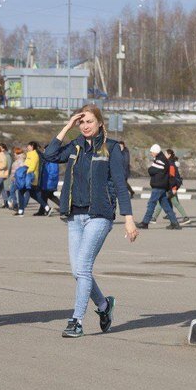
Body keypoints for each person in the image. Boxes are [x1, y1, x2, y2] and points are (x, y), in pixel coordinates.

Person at [43, 105, 138, 338]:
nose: (85, 126)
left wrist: (129, 219)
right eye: (81, 122)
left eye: (89, 122)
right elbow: (50, 155)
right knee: (78, 271)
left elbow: (119, 184)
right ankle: (105, 306)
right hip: (74, 215)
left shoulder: (111, 148)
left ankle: (76, 320)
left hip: (99, 215)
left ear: (100, 124)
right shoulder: (75, 146)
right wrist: (67, 127)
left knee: (83, 268)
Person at [138, 144, 181, 230]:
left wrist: (153, 168)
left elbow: (151, 170)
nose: (151, 153)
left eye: (151, 152)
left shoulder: (160, 160)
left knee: (151, 203)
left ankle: (145, 222)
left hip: (158, 186)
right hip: (162, 186)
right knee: (166, 206)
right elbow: (153, 170)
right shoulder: (161, 159)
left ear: (156, 151)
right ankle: (175, 223)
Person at [151, 149, 190, 224]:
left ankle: (153, 218)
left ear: (169, 155)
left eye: (165, 154)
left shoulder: (171, 165)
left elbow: (172, 178)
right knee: (175, 202)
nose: (164, 155)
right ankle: (185, 217)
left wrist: (173, 188)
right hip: (170, 187)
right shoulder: (169, 163)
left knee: (161, 201)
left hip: (171, 188)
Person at [25, 141, 51, 215]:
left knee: (34, 193)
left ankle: (20, 208)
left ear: (32, 146)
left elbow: (32, 167)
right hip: (35, 177)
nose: (27, 147)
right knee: (34, 194)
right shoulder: (34, 154)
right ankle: (46, 208)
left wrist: (25, 172)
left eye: (28, 146)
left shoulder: (34, 154)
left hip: (32, 178)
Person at [38, 144, 61, 212]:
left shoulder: (52, 159)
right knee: (50, 196)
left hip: (49, 182)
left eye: (45, 150)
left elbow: (53, 173)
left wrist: (50, 181)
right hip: (46, 182)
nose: (44, 151)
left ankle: (43, 210)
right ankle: (64, 208)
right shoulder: (47, 159)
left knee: (44, 196)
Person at [8, 146, 26, 212]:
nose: (14, 154)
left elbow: (21, 171)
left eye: (14, 153)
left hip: (17, 179)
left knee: (13, 191)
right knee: (12, 191)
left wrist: (15, 177)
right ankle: (15, 205)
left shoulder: (21, 161)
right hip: (14, 179)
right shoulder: (17, 160)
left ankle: (15, 205)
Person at [0, 142, 13, 208]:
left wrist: (6, 173)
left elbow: (9, 166)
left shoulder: (7, 156)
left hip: (6, 175)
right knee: (3, 189)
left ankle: (9, 202)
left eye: (0, 148)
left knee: (8, 189)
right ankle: (6, 202)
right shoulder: (1, 156)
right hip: (2, 175)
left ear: (4, 149)